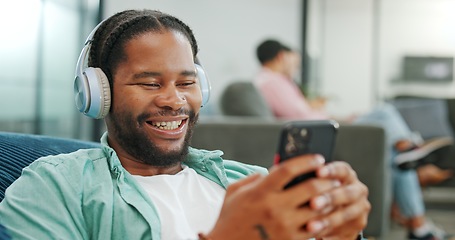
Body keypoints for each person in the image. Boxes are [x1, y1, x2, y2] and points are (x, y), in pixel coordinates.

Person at [0, 10, 370, 240]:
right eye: (150, 83)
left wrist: (344, 233)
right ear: (99, 93)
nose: (174, 100)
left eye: (187, 82)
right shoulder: (55, 186)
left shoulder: (251, 183)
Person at [253, 39, 454, 240]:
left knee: (398, 159)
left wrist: (343, 117)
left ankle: (419, 223)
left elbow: (304, 113)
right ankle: (408, 147)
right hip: (324, 132)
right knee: (384, 112)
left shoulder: (274, 82)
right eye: (294, 61)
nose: (295, 66)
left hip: (329, 127)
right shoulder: (272, 81)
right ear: (282, 56)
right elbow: (301, 117)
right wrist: (339, 119)